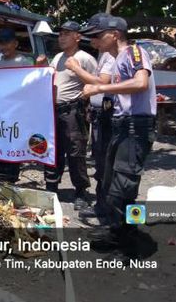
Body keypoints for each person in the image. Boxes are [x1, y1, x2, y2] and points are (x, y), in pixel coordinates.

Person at [83, 16, 157, 252]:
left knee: (122, 189)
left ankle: (131, 245)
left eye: (98, 34)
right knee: (112, 186)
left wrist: (100, 88)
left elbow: (141, 83)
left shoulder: (134, 52)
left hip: (136, 126)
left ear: (114, 34)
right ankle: (119, 236)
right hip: (120, 124)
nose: (94, 40)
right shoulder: (115, 60)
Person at [44, 21, 97, 210]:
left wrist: (77, 71)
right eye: (60, 34)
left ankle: (81, 192)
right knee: (52, 150)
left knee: (75, 152)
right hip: (53, 110)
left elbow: (97, 83)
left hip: (73, 111)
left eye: (66, 33)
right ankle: (52, 188)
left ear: (78, 37)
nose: (62, 37)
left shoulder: (85, 58)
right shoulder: (57, 57)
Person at [75, 13, 117, 218]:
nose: (93, 41)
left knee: (106, 162)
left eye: (96, 36)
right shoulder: (104, 55)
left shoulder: (111, 56)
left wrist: (76, 70)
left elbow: (102, 82)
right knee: (100, 160)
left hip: (109, 114)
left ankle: (107, 208)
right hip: (99, 114)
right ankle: (102, 205)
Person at [0, 28, 35, 183]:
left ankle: (10, 181)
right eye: (1, 44)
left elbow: (32, 85)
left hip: (16, 113)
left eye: (7, 43)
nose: (4, 47)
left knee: (13, 146)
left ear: (15, 43)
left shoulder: (24, 62)